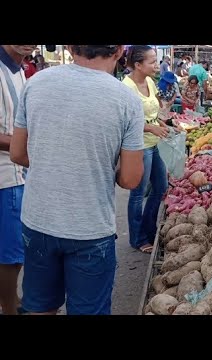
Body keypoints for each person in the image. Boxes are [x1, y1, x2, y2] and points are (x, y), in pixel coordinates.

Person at [9, 45, 145, 315]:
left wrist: (54, 163)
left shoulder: (35, 83)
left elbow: (17, 152)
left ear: (70, 48)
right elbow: (130, 179)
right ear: (119, 51)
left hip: (38, 222)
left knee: (38, 307)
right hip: (90, 229)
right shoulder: (127, 99)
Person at [122, 46, 170, 254]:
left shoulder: (150, 82)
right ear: (138, 65)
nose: (156, 65)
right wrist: (151, 127)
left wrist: (161, 122)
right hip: (138, 147)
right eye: (151, 62)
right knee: (137, 193)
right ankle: (138, 238)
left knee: (161, 186)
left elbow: (152, 112)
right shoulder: (126, 87)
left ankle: (149, 229)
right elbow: (126, 121)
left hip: (154, 143)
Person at [0, 45, 36, 315]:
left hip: (18, 173)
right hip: (5, 176)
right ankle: (10, 308)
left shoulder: (20, 70)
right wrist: (27, 146)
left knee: (14, 251)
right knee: (10, 255)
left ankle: (12, 299)